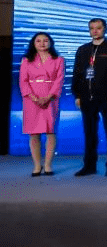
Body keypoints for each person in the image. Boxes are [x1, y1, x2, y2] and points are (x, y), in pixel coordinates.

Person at [72, 18, 107, 176]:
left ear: (105, 29)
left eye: (98, 28)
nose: (95, 31)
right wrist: (77, 95)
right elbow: (77, 74)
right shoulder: (82, 50)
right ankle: (89, 166)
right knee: (89, 132)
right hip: (86, 98)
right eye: (92, 28)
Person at [19, 32, 64, 177]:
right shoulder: (26, 60)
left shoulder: (58, 60)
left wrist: (49, 96)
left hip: (51, 98)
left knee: (51, 131)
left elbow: (59, 80)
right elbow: (23, 81)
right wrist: (33, 97)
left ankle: (48, 165)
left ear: (50, 42)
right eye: (38, 41)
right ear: (33, 43)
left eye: (45, 40)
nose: (42, 43)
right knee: (34, 133)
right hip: (31, 99)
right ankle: (37, 165)